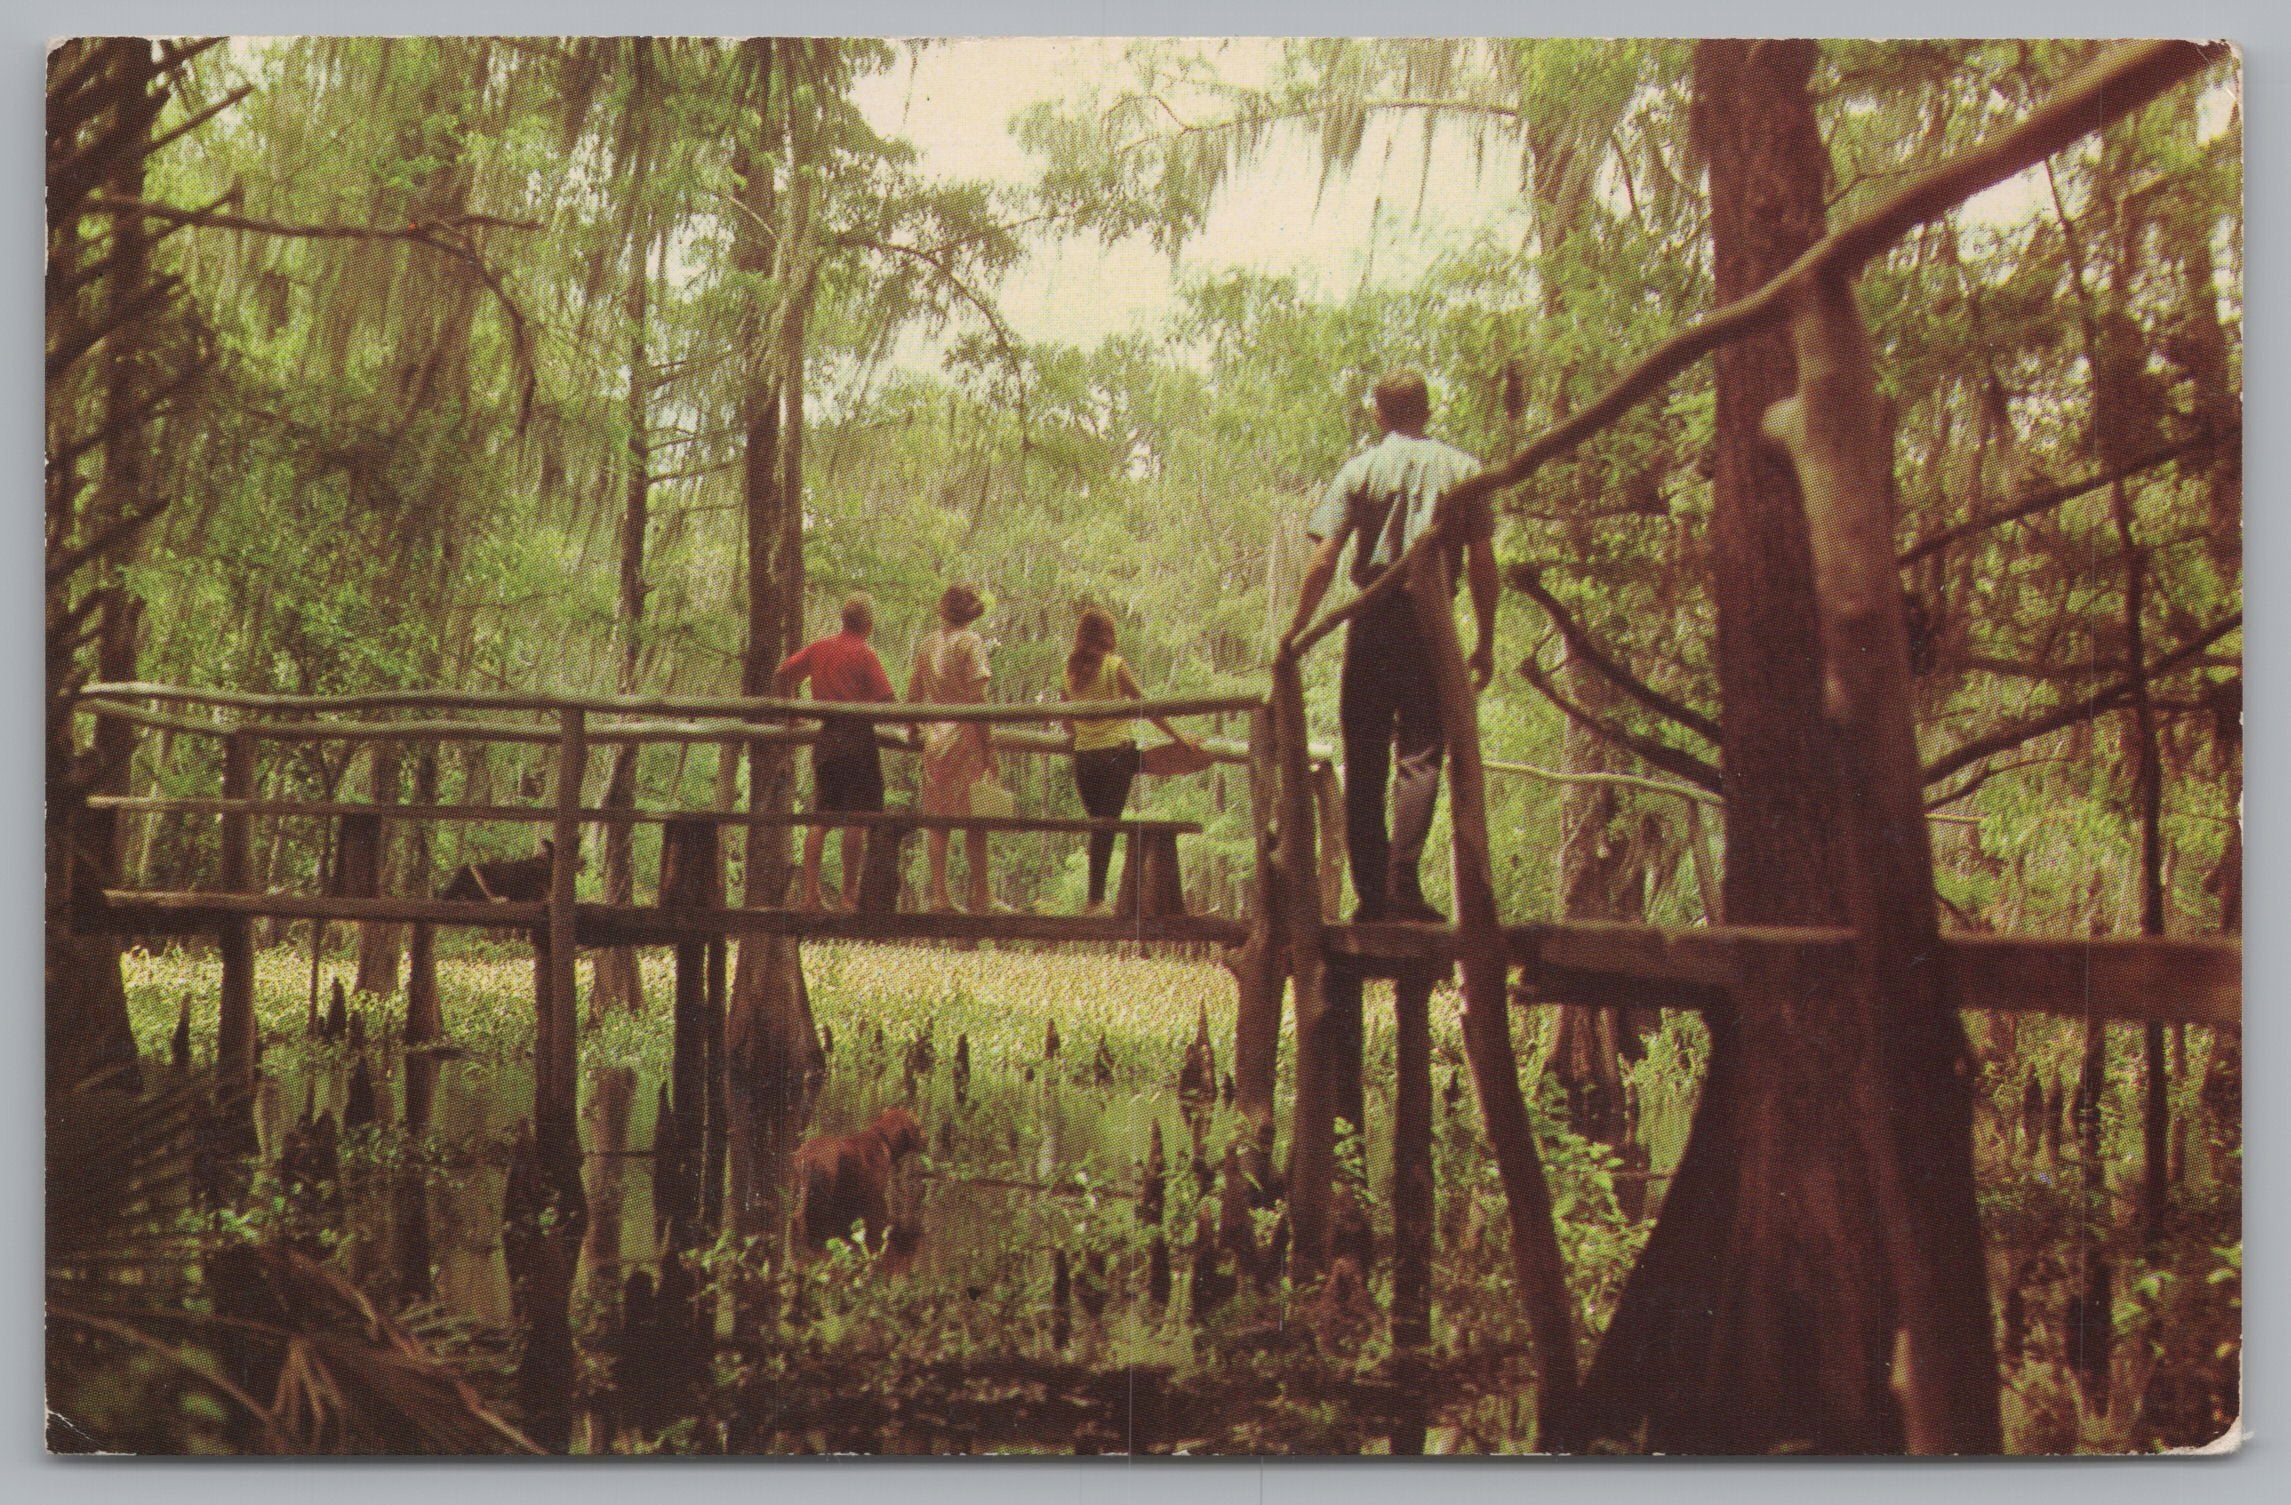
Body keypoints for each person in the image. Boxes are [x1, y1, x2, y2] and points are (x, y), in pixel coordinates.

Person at [1288, 369, 1498, 923]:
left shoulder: (1361, 470)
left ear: (1379, 415)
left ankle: (1372, 899)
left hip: (1372, 620)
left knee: (1365, 754)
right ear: (1428, 412)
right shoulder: (1463, 470)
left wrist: (1295, 632)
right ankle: (1402, 887)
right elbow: (1480, 563)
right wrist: (1485, 639)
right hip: (1432, 625)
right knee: (1421, 756)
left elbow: (1324, 559)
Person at [1062, 608, 1204, 916]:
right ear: (1109, 636)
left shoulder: (1069, 672)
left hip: (1084, 759)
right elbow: (1148, 708)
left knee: (1100, 826)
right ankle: (1095, 901)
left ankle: (1095, 899)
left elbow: (1066, 724)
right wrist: (1180, 738)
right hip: (1116, 755)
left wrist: (1087, 731)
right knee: (1107, 825)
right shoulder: (1115, 667)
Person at [775, 592, 897, 911]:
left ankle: (810, 896)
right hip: (857, 739)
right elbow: (886, 699)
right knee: (856, 819)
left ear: (843, 620)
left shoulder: (819, 648)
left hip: (827, 738)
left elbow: (784, 673)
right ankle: (848, 895)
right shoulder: (864, 653)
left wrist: (791, 714)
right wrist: (911, 722)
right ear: (869, 626)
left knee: (822, 816)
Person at [907, 583, 1000, 913]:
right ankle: (982, 893)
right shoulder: (971, 642)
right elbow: (979, 699)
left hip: (935, 740)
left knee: (938, 820)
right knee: (977, 818)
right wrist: (990, 747)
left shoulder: (928, 643)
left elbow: (913, 695)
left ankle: (940, 896)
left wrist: (914, 730)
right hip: (966, 739)